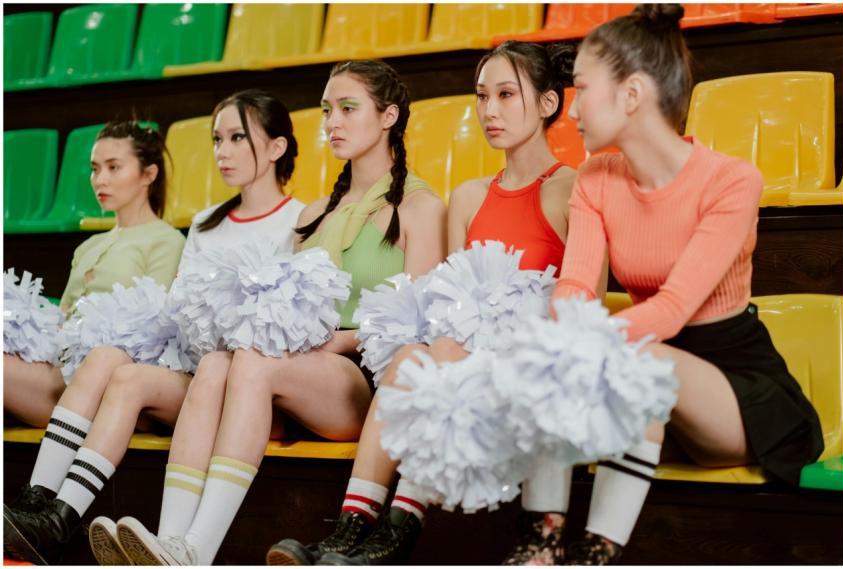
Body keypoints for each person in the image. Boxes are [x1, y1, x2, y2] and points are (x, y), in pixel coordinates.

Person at [267, 41, 605, 567]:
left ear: (546, 104)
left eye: (506, 95)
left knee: (437, 354)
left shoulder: (575, 188)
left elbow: (587, 300)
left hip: (533, 369)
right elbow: (445, 301)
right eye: (481, 96)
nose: (489, 111)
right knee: (409, 357)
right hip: (458, 361)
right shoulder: (469, 197)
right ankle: (351, 530)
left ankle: (397, 533)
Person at [111, 59, 447, 566]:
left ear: (388, 116)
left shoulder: (421, 207)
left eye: (348, 108)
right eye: (327, 109)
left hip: (365, 385)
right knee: (217, 362)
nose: (332, 122)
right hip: (295, 375)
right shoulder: (313, 215)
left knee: (249, 360)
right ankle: (170, 540)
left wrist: (339, 339)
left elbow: (421, 326)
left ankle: (197, 551)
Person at [550, 4, 824, 564]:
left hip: (736, 385)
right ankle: (547, 545)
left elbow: (673, 308)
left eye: (581, 89)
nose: (572, 109)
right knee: (569, 360)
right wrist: (551, 344)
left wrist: (575, 347)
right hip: (648, 374)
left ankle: (592, 553)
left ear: (631, 95)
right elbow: (575, 287)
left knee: (634, 361)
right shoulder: (596, 178)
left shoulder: (732, 180)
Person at [3, 90, 307, 566]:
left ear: (276, 147)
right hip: (196, 371)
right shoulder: (206, 224)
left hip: (256, 381)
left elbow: (297, 317)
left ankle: (182, 546)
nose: (222, 152)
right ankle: (57, 515)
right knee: (122, 371)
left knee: (212, 368)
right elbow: (179, 315)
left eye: (236, 138)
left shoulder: (302, 220)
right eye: (216, 139)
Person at [4, 122, 185, 430]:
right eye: (95, 168)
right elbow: (59, 320)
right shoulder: (88, 246)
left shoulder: (168, 241)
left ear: (149, 175)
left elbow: (157, 332)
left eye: (114, 168)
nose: (100, 180)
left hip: (104, 386)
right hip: (58, 373)